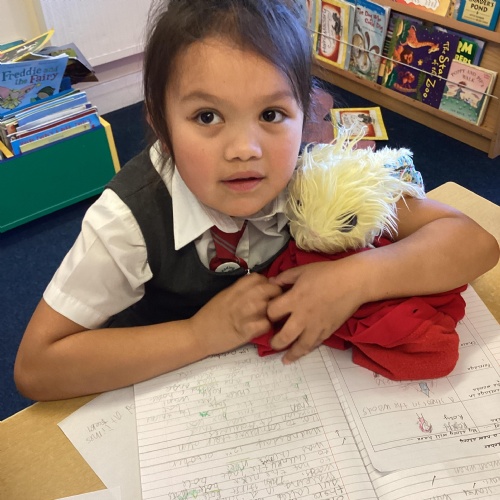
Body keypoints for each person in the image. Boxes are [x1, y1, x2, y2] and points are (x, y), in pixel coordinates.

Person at [14, 0, 499, 402]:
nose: (245, 149)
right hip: (166, 390)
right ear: (161, 123)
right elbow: (37, 369)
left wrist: (354, 278)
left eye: (271, 114)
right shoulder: (129, 219)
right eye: (207, 116)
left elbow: (473, 242)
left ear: (306, 117)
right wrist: (197, 335)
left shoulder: (313, 173)